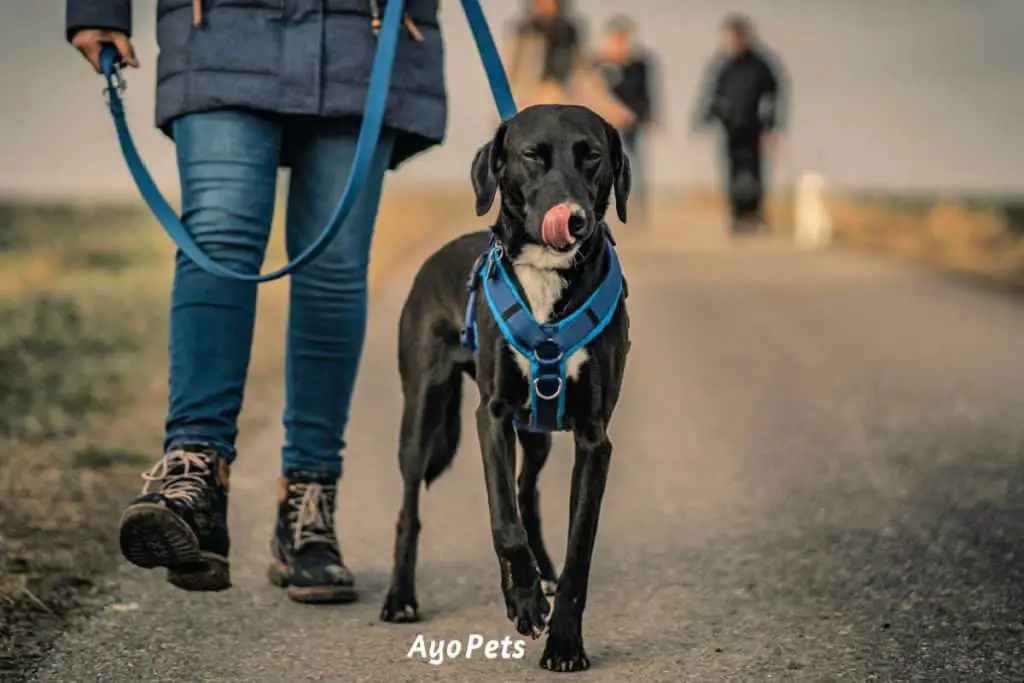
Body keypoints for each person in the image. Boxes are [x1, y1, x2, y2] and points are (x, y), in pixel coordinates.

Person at [65, 0, 446, 603]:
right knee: (217, 233)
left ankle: (309, 502)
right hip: (219, 23)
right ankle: (195, 480)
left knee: (335, 265)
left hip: (362, 30)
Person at [693, 14, 787, 234]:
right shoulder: (723, 64)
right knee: (733, 172)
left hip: (754, 128)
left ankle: (755, 214)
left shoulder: (761, 64)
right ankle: (737, 216)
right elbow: (713, 93)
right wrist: (706, 117)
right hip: (730, 128)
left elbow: (773, 94)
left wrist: (772, 124)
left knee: (754, 172)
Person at [504, 0, 634, 133]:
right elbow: (510, 73)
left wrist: (613, 109)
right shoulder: (524, 32)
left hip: (563, 102)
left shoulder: (568, 32)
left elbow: (585, 76)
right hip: (528, 103)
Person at [594, 15, 659, 223]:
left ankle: (635, 210)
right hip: (606, 124)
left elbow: (648, 93)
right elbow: (592, 93)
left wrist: (649, 117)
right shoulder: (599, 65)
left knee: (634, 165)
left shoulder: (640, 64)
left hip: (632, 123)